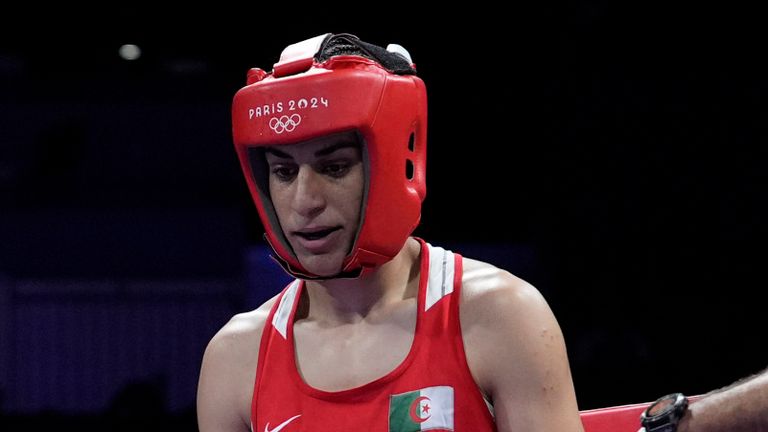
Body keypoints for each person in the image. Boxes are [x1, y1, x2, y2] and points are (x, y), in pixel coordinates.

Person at [196, 33, 584, 432]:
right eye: (284, 172)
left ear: (394, 165)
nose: (304, 201)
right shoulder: (236, 360)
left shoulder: (498, 317)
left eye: (334, 168)